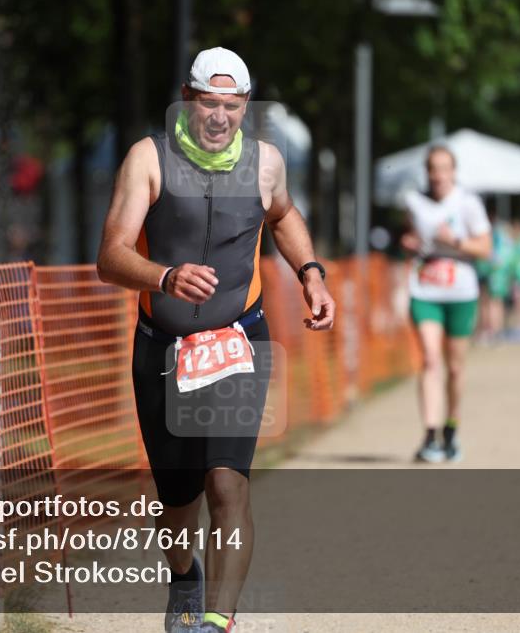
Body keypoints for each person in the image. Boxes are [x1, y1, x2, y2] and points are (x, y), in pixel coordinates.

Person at [96, 47, 334, 633]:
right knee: (177, 502)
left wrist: (311, 274)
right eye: (209, 103)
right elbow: (111, 256)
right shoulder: (147, 159)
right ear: (187, 97)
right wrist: (164, 276)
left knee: (227, 482)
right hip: (164, 347)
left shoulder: (265, 163)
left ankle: (215, 621)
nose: (220, 116)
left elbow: (282, 217)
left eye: (232, 105)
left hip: (238, 343)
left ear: (246, 105)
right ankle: (185, 578)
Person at [400, 146, 492, 463]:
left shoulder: (468, 203)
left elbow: (485, 248)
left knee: (454, 367)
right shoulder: (415, 201)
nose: (438, 175)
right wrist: (410, 242)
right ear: (427, 172)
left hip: (460, 291)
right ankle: (429, 435)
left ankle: (451, 427)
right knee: (430, 359)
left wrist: (454, 241)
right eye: (433, 169)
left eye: (444, 168)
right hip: (425, 288)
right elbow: (413, 234)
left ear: (454, 171)